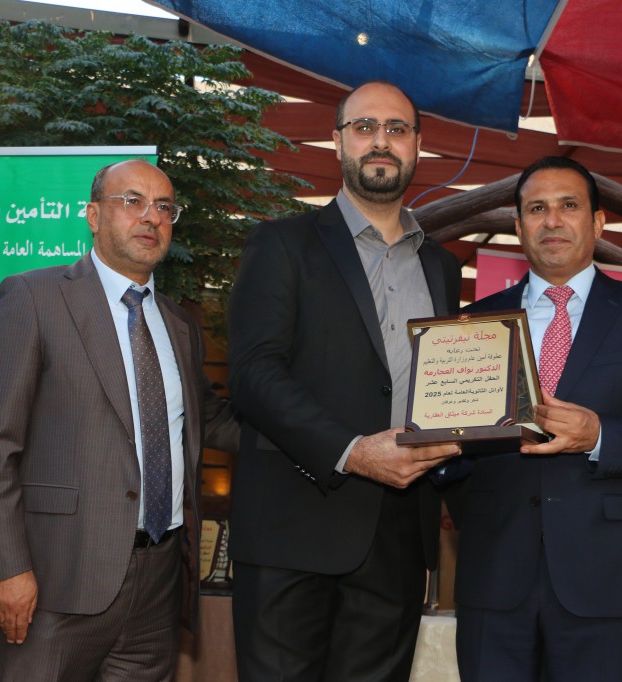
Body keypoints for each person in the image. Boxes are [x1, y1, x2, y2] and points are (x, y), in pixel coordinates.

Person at [0, 159, 238, 681]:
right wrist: (7, 569)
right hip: (55, 581)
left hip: (159, 583)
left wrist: (336, 442)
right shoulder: (34, 297)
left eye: (164, 207)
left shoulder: (180, 325)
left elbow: (211, 422)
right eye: (132, 201)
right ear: (93, 216)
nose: (151, 217)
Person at [227, 80, 463, 682]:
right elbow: (253, 375)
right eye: (364, 127)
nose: (381, 141)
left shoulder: (442, 266)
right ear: (337, 142)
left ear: (418, 145)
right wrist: (352, 452)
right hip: (293, 529)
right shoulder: (281, 243)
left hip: (400, 536)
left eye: (397, 129)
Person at [441, 156, 622, 681]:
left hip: (608, 577)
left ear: (598, 222)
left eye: (569, 205)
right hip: (495, 573)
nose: (552, 220)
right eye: (536, 208)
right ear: (518, 226)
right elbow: (456, 443)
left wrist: (599, 435)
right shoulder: (473, 323)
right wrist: (440, 451)